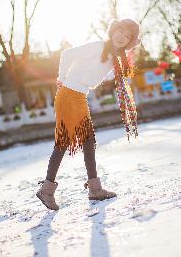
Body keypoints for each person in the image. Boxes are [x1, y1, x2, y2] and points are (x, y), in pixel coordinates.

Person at [36, 18, 140, 210]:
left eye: (127, 36)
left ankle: (92, 189)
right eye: (121, 31)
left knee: (86, 141)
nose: (122, 37)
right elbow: (68, 54)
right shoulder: (99, 46)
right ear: (113, 30)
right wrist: (62, 77)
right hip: (69, 95)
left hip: (79, 96)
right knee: (65, 142)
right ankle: (48, 190)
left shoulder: (114, 57)